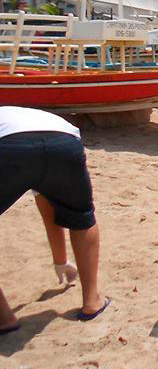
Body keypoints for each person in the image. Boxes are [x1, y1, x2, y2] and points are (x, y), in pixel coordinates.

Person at [1, 106, 109, 333]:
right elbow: (47, 201)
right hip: (63, 140)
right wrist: (60, 261)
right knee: (81, 215)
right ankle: (92, 301)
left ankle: (3, 318)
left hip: (9, 146)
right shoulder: (20, 114)